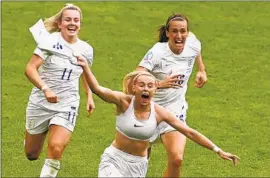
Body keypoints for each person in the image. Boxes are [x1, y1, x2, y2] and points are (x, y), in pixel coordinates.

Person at [76, 56, 240, 177]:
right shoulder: (123, 102)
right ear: (134, 88)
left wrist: (218, 150)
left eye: (150, 86)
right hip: (114, 159)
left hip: (138, 167)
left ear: (155, 90)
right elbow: (97, 89)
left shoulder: (160, 113)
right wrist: (85, 66)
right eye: (141, 85)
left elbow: (189, 132)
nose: (145, 89)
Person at [24, 3, 94, 177]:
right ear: (60, 23)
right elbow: (30, 69)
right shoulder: (49, 42)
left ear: (80, 24)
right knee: (31, 154)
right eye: (68, 19)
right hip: (40, 102)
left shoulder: (86, 49)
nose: (72, 23)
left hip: (67, 104)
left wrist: (89, 96)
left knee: (56, 147)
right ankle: (31, 139)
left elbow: (85, 73)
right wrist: (45, 88)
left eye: (76, 20)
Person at [136, 13, 208, 177]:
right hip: (149, 110)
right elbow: (136, 76)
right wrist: (160, 84)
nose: (179, 36)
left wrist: (201, 70)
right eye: (174, 31)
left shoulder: (193, 44)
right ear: (167, 33)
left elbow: (196, 51)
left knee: (177, 159)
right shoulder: (157, 52)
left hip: (174, 111)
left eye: (183, 31)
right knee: (140, 163)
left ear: (188, 33)